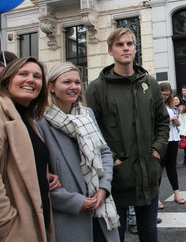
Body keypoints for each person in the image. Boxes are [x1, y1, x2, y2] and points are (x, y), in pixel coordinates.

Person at [85, 27, 170, 242]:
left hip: (148, 174)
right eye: (119, 44)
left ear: (135, 49)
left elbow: (162, 121)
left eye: (130, 44)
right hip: (115, 180)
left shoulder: (149, 83)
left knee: (149, 234)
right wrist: (113, 160)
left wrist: (157, 151)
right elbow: (91, 131)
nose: (125, 48)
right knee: (115, 236)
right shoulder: (96, 89)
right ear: (110, 51)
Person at [36, 62, 120, 242]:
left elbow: (104, 152)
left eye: (77, 82)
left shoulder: (86, 114)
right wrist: (75, 202)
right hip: (68, 218)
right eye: (66, 82)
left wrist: (104, 187)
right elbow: (38, 179)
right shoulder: (40, 122)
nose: (74, 87)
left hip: (101, 208)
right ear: (51, 87)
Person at [0, 57, 59, 241]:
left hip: (37, 222)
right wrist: (6, 223)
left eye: (37, 76)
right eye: (23, 74)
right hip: (16, 229)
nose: (30, 80)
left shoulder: (26, 118)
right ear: (8, 79)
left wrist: (45, 173)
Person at [158, 83, 185, 208]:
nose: (165, 97)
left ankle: (177, 193)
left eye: (167, 94)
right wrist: (166, 120)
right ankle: (156, 198)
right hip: (161, 139)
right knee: (159, 168)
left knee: (171, 167)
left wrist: (176, 121)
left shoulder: (171, 105)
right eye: (163, 94)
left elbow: (178, 122)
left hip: (173, 137)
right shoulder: (155, 105)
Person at [174, 95, 186, 166]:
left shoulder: (184, 109)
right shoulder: (171, 109)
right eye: (173, 100)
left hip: (182, 129)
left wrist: (185, 131)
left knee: (185, 145)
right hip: (175, 130)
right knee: (174, 146)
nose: (175, 101)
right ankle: (174, 161)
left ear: (179, 100)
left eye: (176, 100)